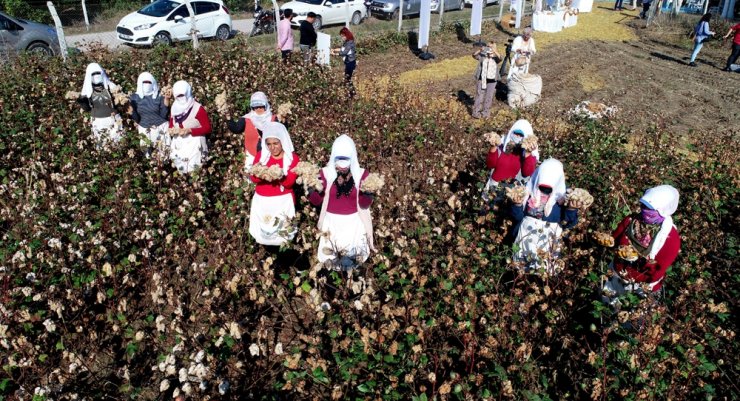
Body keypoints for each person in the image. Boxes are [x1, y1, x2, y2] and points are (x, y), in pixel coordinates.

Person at [601, 185, 680, 307]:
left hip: (641, 288)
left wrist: (637, 259)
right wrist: (606, 241)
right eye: (643, 206)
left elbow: (657, 271)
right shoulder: (630, 221)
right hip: (615, 277)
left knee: (631, 321)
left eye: (649, 208)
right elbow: (614, 241)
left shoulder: (670, 238)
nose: (644, 210)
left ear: (662, 210)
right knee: (606, 309)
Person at [309, 134, 374, 270]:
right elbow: (316, 202)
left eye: (346, 159)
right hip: (331, 225)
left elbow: (364, 204)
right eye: (339, 159)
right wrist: (312, 191)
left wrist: (368, 193)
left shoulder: (361, 174)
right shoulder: (325, 174)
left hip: (354, 225)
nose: (342, 166)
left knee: (353, 263)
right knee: (331, 260)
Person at [508, 159, 578, 274]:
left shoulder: (565, 198)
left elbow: (569, 224)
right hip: (525, 239)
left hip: (548, 242)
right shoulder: (526, 192)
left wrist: (571, 209)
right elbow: (517, 218)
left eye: (549, 187)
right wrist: (517, 205)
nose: (545, 190)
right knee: (521, 271)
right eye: (542, 186)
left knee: (545, 273)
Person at [248, 122, 300, 246]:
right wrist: (262, 174)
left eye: (276, 143)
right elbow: (253, 178)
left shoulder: (292, 158)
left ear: (282, 141)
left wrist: (278, 175)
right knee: (264, 235)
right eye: (269, 144)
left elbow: (289, 182)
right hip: (262, 202)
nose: (272, 148)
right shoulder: (262, 156)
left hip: (282, 202)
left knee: (282, 236)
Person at [168, 81, 211, 173]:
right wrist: (171, 130)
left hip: (195, 145)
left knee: (195, 171)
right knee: (181, 172)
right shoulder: (174, 108)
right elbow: (172, 123)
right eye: (178, 96)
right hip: (180, 145)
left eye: (182, 95)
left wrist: (190, 130)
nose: (180, 98)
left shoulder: (198, 108)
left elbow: (207, 128)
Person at [227, 92, 278, 168]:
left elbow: (281, 134)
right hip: (251, 153)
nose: (258, 109)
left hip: (269, 154)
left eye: (261, 107)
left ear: (265, 106)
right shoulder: (247, 119)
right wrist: (229, 119)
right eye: (255, 107)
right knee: (250, 175)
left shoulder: (273, 119)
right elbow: (237, 129)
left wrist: (284, 120)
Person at [76, 63, 123, 144]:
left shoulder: (110, 86)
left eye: (98, 73)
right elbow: (87, 108)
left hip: (114, 120)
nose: (96, 75)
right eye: (93, 74)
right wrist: (81, 101)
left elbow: (120, 103)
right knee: (101, 144)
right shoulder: (87, 90)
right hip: (98, 122)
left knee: (116, 143)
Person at [130, 72, 170, 155]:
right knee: (147, 155)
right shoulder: (134, 97)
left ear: (153, 83)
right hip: (144, 128)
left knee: (164, 154)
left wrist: (166, 102)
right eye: (144, 82)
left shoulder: (159, 96)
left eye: (149, 82)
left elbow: (163, 115)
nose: (147, 84)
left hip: (160, 127)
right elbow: (137, 118)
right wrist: (131, 111)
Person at [472, 43, 502, 119]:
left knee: (489, 96)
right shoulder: (482, 56)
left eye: (491, 47)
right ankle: (476, 113)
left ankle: (485, 113)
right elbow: (474, 55)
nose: (489, 48)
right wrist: (480, 50)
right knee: (479, 94)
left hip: (492, 80)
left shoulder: (495, 57)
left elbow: (501, 58)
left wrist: (494, 51)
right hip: (482, 78)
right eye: (488, 46)